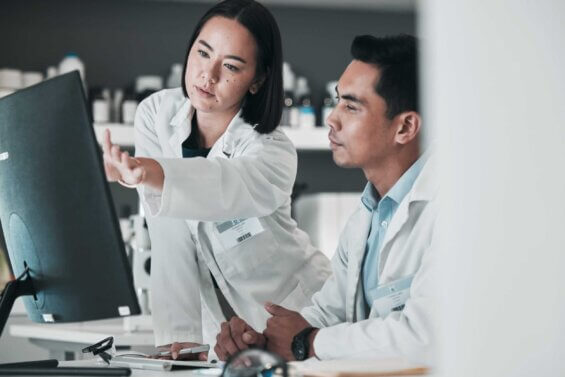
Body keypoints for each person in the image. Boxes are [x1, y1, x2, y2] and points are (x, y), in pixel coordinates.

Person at [102, 0, 331, 360]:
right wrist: (180, 340)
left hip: (301, 315)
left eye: (231, 66)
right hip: (227, 337)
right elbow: (169, 234)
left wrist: (149, 172)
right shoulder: (156, 114)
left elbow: (224, 183)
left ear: (257, 79)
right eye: (202, 53)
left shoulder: (272, 151)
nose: (207, 75)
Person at [213, 34, 438, 365]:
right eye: (337, 102)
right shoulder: (367, 216)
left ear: (404, 127)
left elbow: (424, 336)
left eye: (351, 106)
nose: (332, 119)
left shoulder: (451, 211)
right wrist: (260, 343)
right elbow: (325, 317)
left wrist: (307, 341)